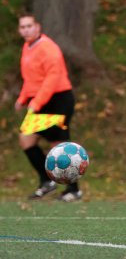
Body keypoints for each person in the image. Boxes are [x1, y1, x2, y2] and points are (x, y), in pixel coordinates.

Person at [15, 13, 82, 202]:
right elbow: (30, 79)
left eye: (29, 26)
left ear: (38, 27)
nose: (26, 30)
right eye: (23, 27)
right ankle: (47, 182)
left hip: (58, 100)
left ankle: (73, 189)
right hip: (41, 101)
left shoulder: (49, 48)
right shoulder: (27, 48)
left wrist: (35, 103)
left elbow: (52, 80)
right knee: (26, 139)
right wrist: (22, 99)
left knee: (60, 147)